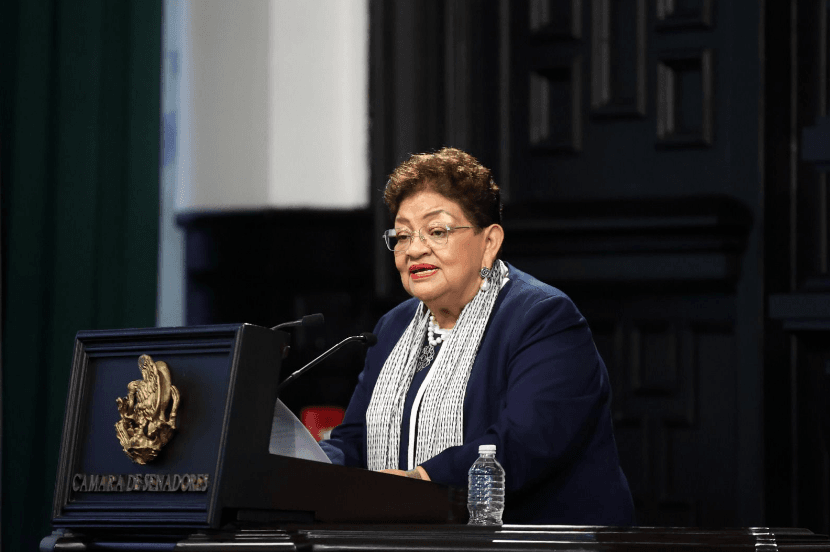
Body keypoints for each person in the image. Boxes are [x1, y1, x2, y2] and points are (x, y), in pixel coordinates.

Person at [319, 147, 634, 525]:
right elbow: (354, 439)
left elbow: (525, 443)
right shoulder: (393, 327)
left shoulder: (541, 317)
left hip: (537, 544)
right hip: (405, 541)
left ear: (489, 243)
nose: (414, 248)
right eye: (402, 236)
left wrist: (421, 480)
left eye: (437, 231)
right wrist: (312, 470)